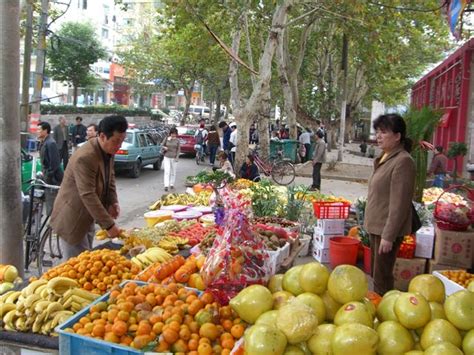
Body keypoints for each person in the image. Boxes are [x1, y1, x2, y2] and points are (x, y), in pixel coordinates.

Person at [50, 115, 128, 259]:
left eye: (122, 141)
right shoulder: (86, 157)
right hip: (72, 219)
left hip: (89, 216)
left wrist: (112, 201)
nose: (119, 145)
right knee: (76, 267)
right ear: (103, 136)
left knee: (87, 259)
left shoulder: (108, 151)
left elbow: (110, 177)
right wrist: (109, 226)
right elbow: (87, 194)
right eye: (117, 141)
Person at [364, 113, 415, 295]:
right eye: (377, 132)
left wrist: (389, 235)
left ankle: (383, 312)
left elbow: (399, 203)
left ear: (397, 136)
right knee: (377, 273)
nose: (378, 136)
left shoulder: (403, 161)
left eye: (383, 132)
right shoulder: (386, 157)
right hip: (377, 226)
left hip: (386, 229)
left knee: (382, 276)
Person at [37, 121, 63, 186]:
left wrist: (48, 174)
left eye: (39, 129)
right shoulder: (43, 142)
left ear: (45, 131)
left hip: (54, 178)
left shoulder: (51, 143)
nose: (37, 131)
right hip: (47, 176)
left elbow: (55, 163)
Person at [162, 127, 180, 191]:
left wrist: (177, 157)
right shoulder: (167, 138)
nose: (173, 135)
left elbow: (178, 150)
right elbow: (162, 145)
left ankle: (172, 184)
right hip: (166, 157)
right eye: (172, 133)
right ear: (170, 133)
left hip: (174, 158)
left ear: (176, 134)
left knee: (173, 172)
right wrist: (164, 147)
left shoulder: (177, 141)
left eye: (174, 134)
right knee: (167, 171)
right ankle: (166, 185)